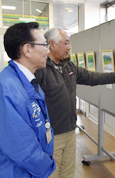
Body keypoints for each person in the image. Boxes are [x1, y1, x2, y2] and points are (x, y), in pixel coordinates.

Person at [35, 27, 115, 178]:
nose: (69, 47)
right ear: (52, 44)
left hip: (70, 129)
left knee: (67, 173)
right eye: (66, 43)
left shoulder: (69, 66)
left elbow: (91, 77)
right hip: (52, 135)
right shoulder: (40, 69)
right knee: (50, 174)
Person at [0, 22, 56, 177]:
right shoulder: (6, 87)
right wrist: (47, 164)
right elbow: (20, 147)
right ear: (27, 49)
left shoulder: (27, 81)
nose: (48, 50)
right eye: (44, 45)